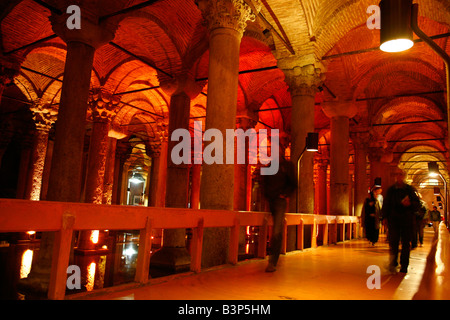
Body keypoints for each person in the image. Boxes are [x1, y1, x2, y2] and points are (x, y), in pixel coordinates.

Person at [261, 135, 297, 272]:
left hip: (280, 201)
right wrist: (266, 196)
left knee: (276, 231)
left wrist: (284, 194)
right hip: (269, 200)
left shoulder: (287, 166)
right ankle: (268, 256)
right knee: (269, 230)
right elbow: (264, 183)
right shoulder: (269, 166)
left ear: (281, 150)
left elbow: (293, 184)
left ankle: (272, 262)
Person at [382, 169, 420, 273]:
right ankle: (393, 262)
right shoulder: (391, 190)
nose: (398, 176)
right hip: (393, 220)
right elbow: (386, 204)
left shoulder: (409, 190)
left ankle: (404, 265)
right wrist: (384, 217)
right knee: (393, 242)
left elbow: (417, 204)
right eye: (397, 174)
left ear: (404, 176)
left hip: (406, 220)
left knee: (406, 243)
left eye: (401, 174)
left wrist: (410, 204)